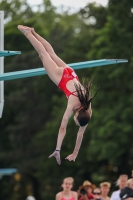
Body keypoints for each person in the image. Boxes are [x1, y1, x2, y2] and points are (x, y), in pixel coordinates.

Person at [17, 25, 99, 165]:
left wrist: (75, 153)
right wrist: (57, 150)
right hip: (61, 79)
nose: (75, 120)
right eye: (76, 119)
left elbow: (80, 134)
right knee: (43, 54)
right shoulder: (72, 105)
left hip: (71, 74)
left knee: (51, 52)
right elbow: (63, 128)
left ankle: (33, 32)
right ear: (77, 114)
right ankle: (27, 34)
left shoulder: (88, 109)